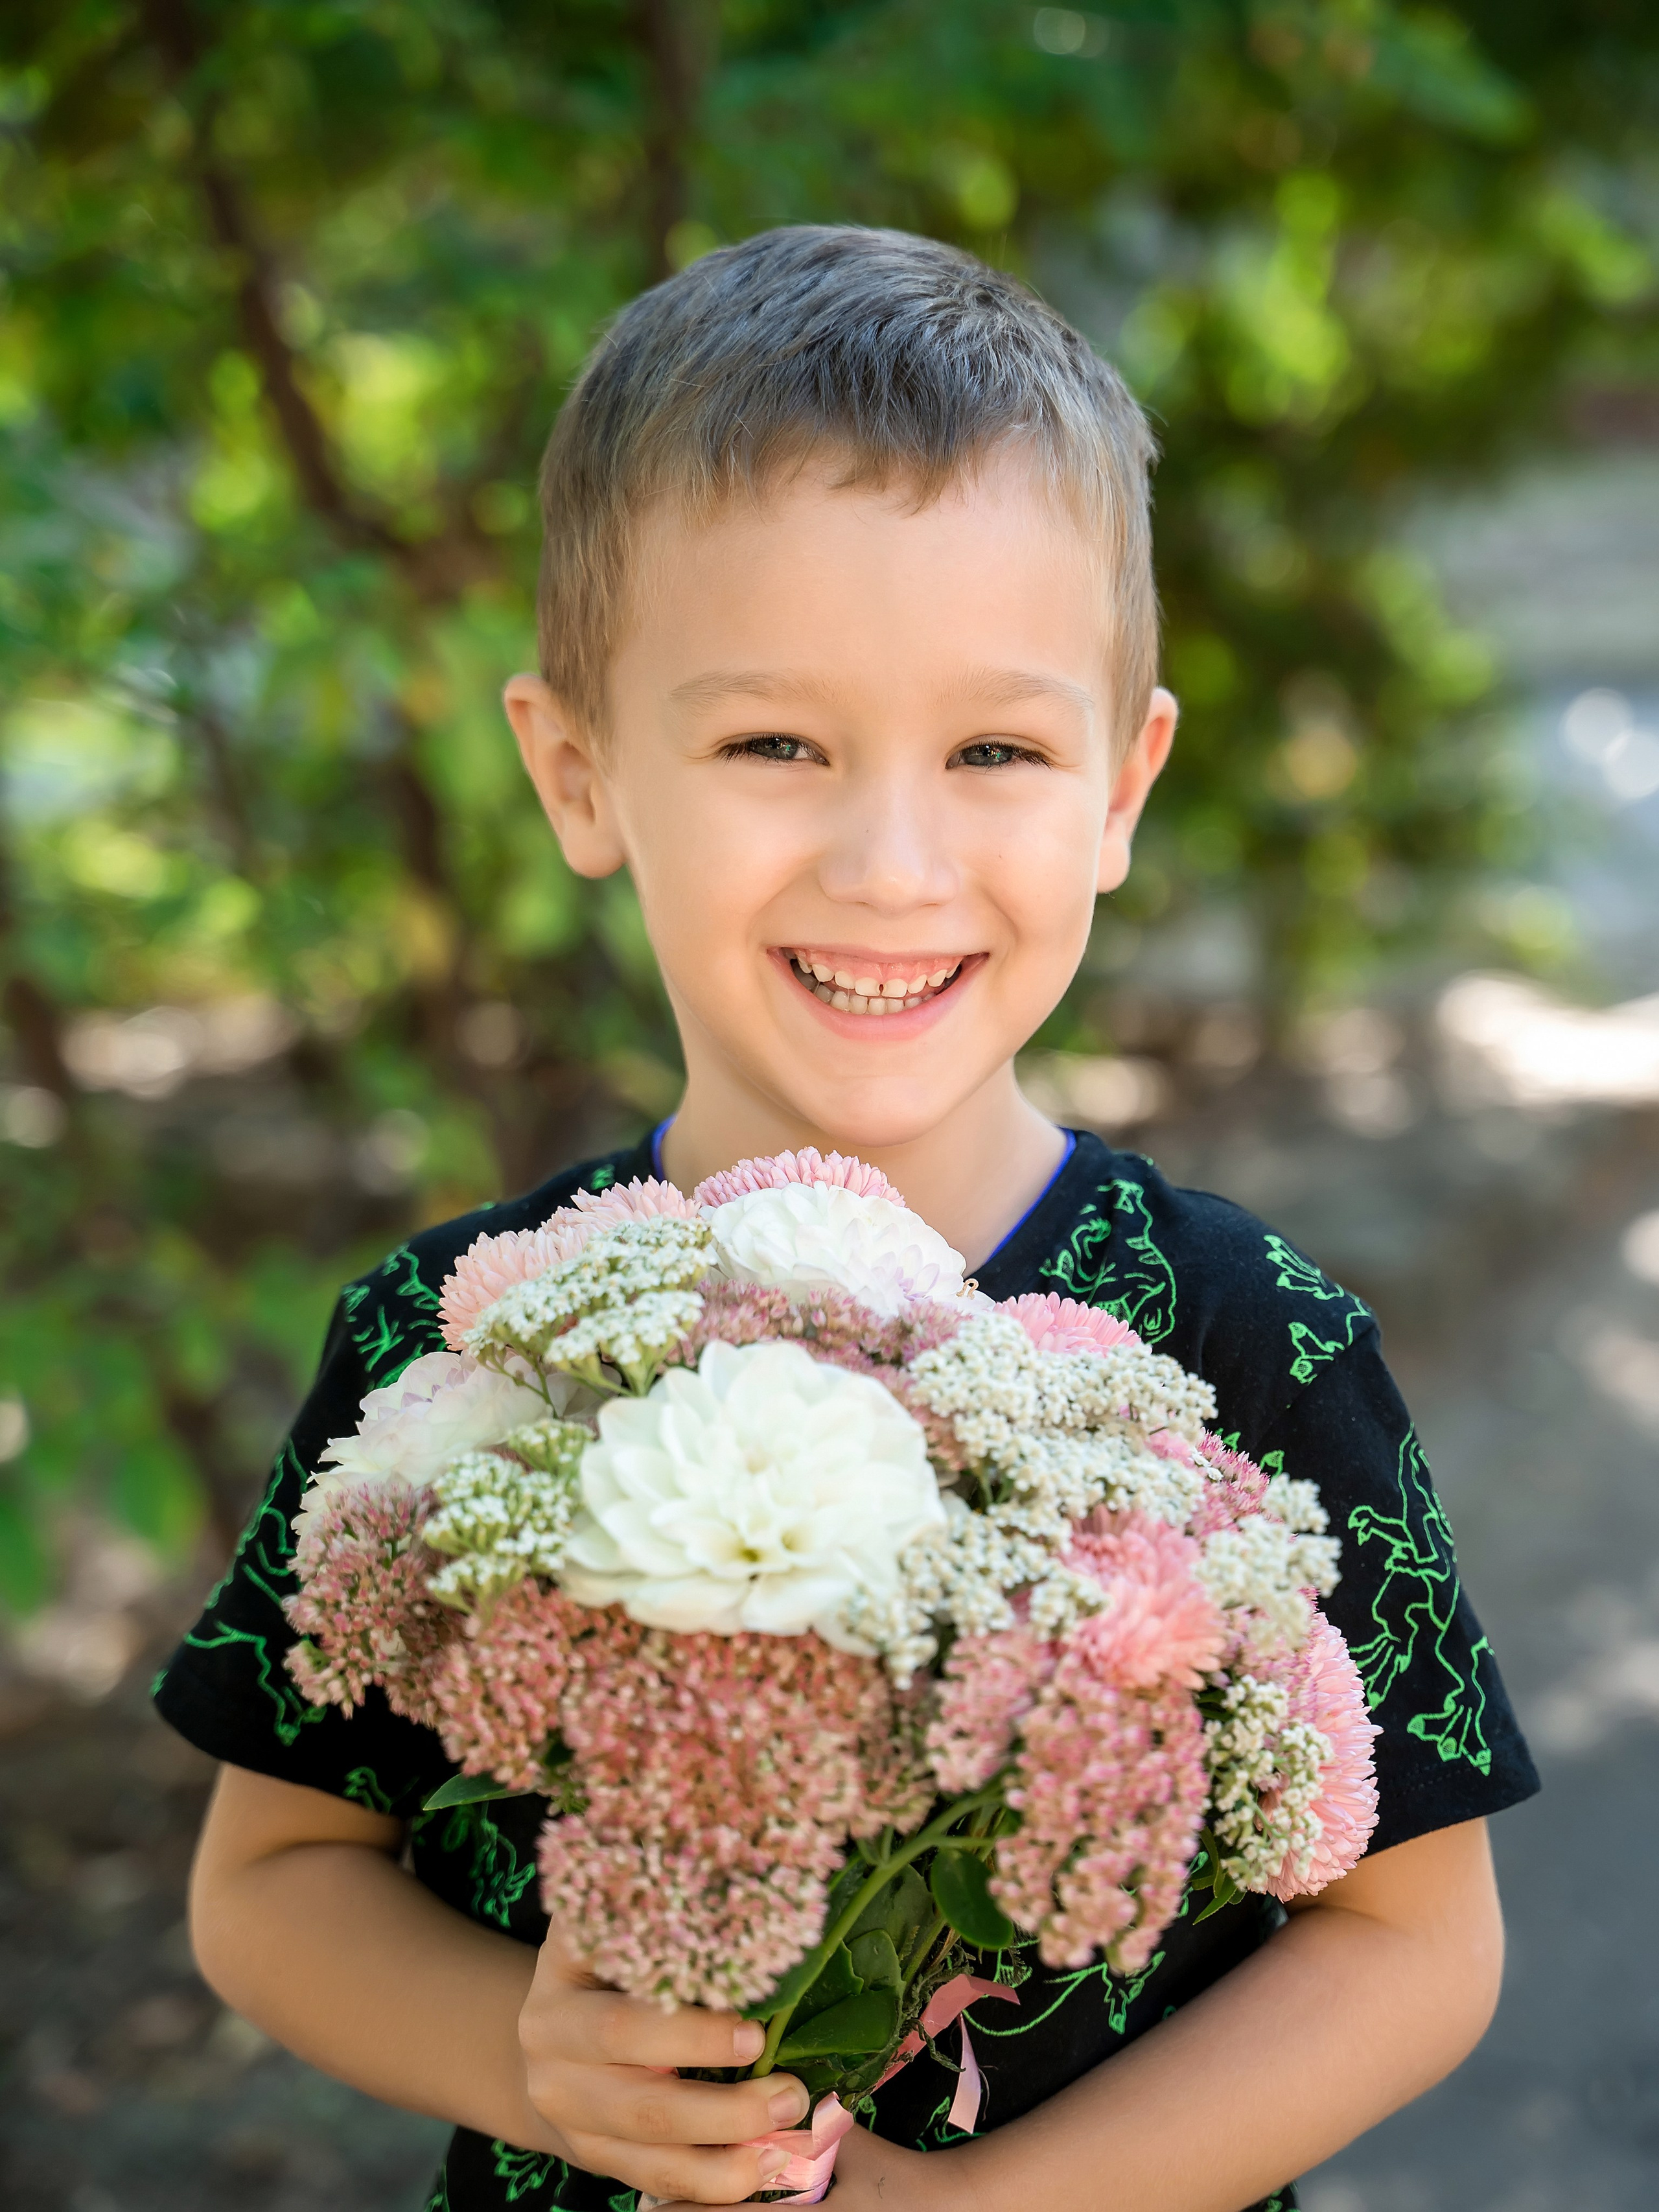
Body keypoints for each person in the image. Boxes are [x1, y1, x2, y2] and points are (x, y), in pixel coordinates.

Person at [156, 226, 1538, 2212]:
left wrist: (979, 2209)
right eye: (773, 745)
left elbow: (1417, 1946)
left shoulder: (1246, 1335)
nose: (894, 863)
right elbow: (271, 1887)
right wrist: (531, 2062)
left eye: (996, 750)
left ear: (1122, 788)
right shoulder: (459, 1343)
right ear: (578, 772)